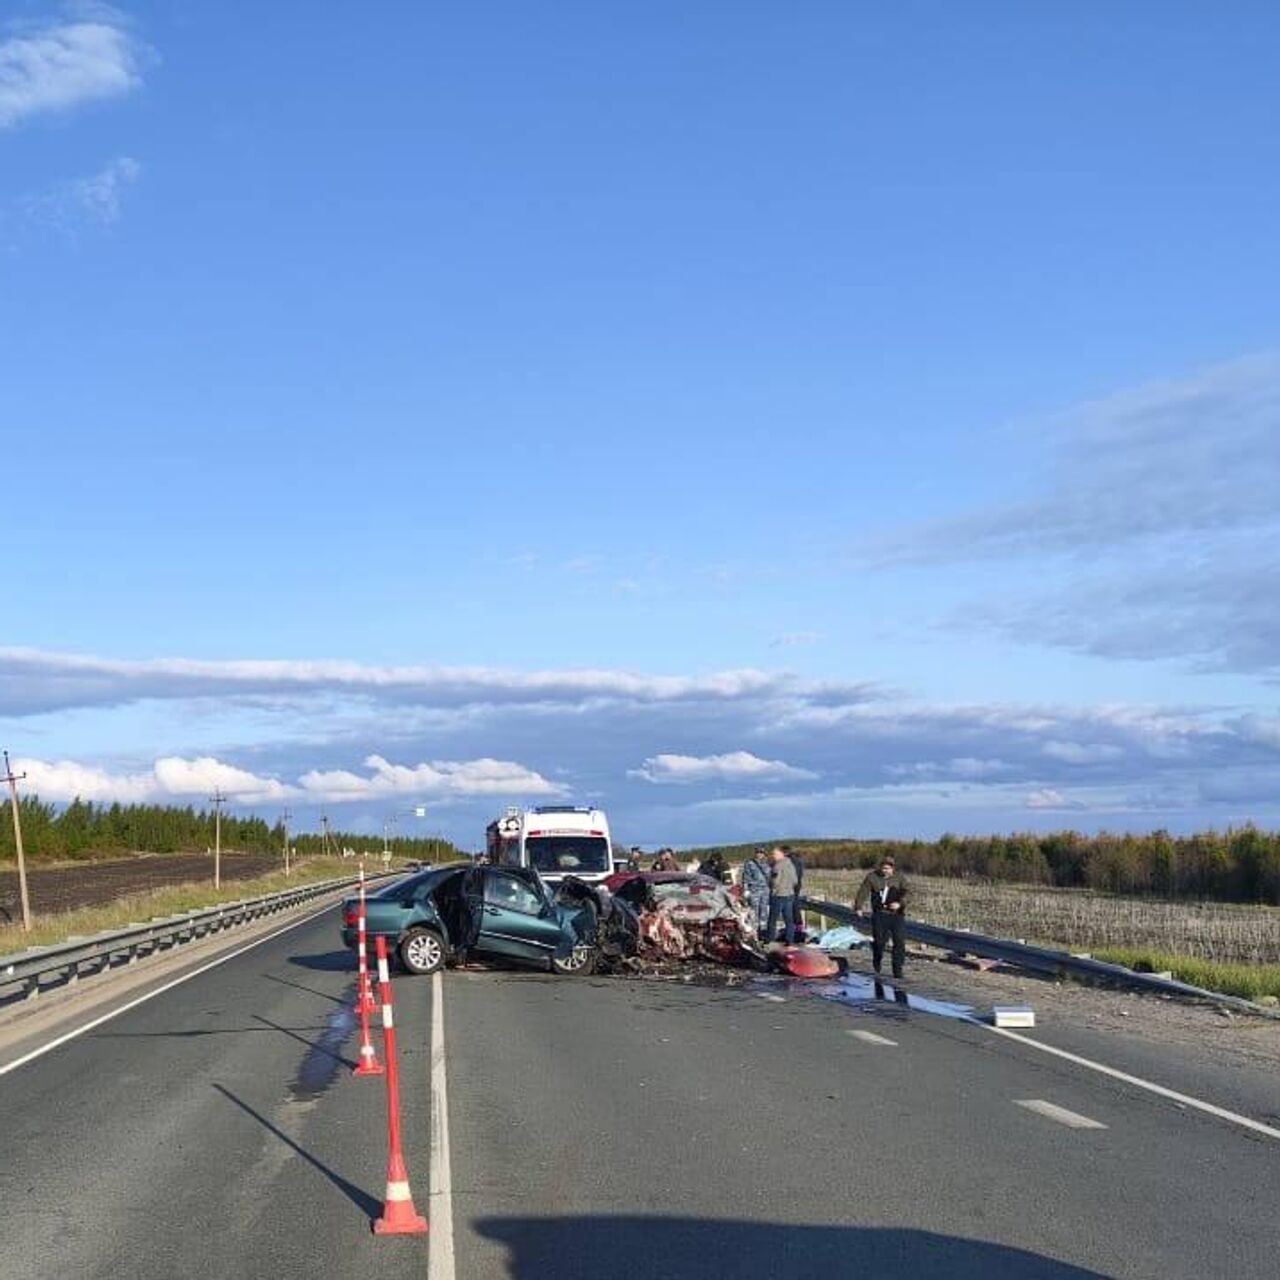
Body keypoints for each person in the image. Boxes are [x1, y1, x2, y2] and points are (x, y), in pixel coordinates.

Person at [855, 855, 909, 979]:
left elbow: (908, 892)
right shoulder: (872, 877)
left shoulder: (899, 878)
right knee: (879, 942)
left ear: (893, 868)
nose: (886, 871)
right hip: (880, 914)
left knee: (899, 942)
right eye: (883, 868)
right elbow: (863, 891)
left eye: (888, 869)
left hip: (897, 915)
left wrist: (900, 903)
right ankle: (877, 959)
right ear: (880, 868)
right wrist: (858, 907)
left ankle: (897, 969)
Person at [765, 846, 798, 944]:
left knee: (772, 919)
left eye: (775, 854)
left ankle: (770, 940)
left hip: (778, 895)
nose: (773, 856)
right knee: (789, 920)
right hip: (789, 894)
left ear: (781, 854)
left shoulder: (777, 866)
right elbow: (795, 881)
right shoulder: (791, 864)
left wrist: (770, 883)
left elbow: (774, 882)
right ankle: (790, 940)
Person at [739, 848, 771, 935]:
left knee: (764, 910)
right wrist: (746, 890)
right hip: (754, 890)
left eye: (761, 853)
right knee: (754, 910)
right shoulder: (750, 864)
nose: (759, 854)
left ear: (764, 854)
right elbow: (745, 877)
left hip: (765, 890)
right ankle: (754, 931)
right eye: (758, 852)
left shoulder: (767, 863)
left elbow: (771, 877)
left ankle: (763, 931)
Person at [785, 845, 805, 938]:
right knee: (795, 905)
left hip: (788, 887)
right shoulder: (799, 861)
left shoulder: (786, 861)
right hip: (797, 886)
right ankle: (799, 927)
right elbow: (800, 874)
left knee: (789, 907)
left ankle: (792, 928)